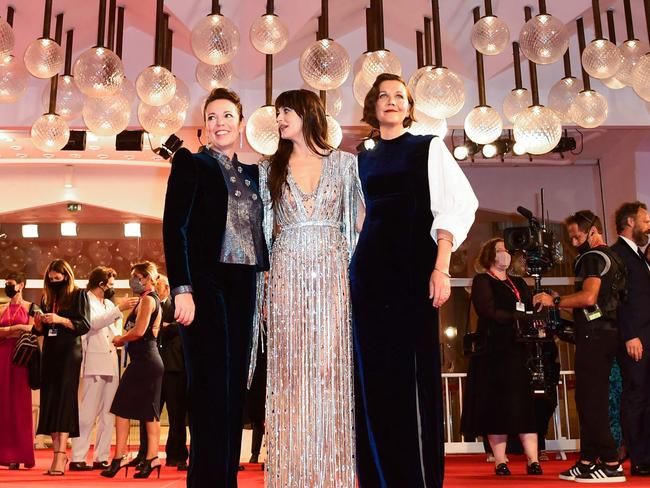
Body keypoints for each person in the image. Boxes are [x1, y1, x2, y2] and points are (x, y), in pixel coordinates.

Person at [350, 73, 478, 488]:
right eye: (382, 96)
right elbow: (358, 220)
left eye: (398, 96)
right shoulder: (360, 158)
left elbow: (456, 207)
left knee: (411, 377)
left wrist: (441, 268)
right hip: (368, 275)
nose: (390, 101)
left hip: (412, 273)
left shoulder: (428, 148)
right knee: (373, 379)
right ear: (372, 105)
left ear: (409, 107)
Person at [162, 87, 269, 487]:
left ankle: (227, 479)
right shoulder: (191, 164)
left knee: (232, 393)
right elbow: (176, 228)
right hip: (205, 288)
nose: (219, 123)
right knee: (208, 391)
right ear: (203, 126)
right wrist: (182, 288)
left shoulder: (255, 174)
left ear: (241, 124)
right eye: (211, 117)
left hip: (244, 288)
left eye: (227, 115)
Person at [258, 89, 362, 487]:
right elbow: (264, 234)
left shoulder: (346, 165)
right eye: (277, 112)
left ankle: (331, 475)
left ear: (307, 113)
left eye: (285, 111)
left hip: (333, 277)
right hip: (286, 278)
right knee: (291, 378)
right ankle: (291, 474)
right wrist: (265, 291)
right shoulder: (271, 168)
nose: (279, 118)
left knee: (329, 371)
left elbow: (357, 228)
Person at [534, 210, 627, 482]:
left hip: (596, 337)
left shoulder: (593, 258)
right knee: (587, 400)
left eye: (577, 236)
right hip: (605, 334)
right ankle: (587, 461)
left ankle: (611, 463)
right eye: (571, 237)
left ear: (593, 231)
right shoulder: (614, 257)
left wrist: (556, 301)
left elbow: (589, 298)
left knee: (590, 401)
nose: (574, 242)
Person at [460, 238, 542, 476]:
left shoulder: (517, 282)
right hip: (493, 353)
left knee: (524, 406)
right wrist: (518, 318)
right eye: (500, 250)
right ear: (490, 255)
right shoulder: (482, 280)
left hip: (518, 351)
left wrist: (534, 309)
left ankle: (533, 460)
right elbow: (487, 310)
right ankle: (500, 460)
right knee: (496, 407)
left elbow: (527, 307)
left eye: (507, 250)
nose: (505, 254)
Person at [101, 261, 163, 479]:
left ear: (147, 278)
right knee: (146, 412)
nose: (133, 280)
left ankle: (124, 458)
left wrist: (120, 339)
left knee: (125, 408)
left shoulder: (147, 300)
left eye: (137, 276)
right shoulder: (144, 300)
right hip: (144, 359)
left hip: (146, 359)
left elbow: (139, 331)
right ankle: (148, 458)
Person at [70, 266, 135, 471]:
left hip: (111, 361)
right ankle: (78, 457)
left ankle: (102, 456)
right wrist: (119, 309)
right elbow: (92, 324)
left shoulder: (107, 302)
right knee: (88, 412)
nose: (112, 288)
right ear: (101, 284)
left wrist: (121, 337)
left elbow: (113, 329)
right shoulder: (85, 300)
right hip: (94, 361)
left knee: (109, 413)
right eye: (111, 284)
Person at [33, 259, 91, 476]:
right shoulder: (47, 297)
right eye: (51, 277)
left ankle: (60, 455)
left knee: (65, 401)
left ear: (66, 276)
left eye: (58, 277)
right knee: (50, 401)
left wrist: (61, 319)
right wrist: (39, 325)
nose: (54, 280)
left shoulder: (79, 294)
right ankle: (57, 452)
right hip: (50, 352)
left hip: (69, 353)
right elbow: (39, 331)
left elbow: (84, 324)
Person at [611, 201, 650, 476]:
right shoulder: (618, 255)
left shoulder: (639, 255)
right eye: (645, 220)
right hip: (635, 338)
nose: (649, 226)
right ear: (630, 222)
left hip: (646, 335)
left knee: (646, 397)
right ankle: (639, 458)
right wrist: (630, 335)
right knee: (636, 396)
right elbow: (619, 300)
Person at [0, 272, 35, 470]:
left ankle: (22, 454)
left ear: (21, 285)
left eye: (10, 283)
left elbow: (33, 329)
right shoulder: (2, 308)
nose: (8, 286)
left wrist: (15, 328)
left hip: (21, 357)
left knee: (20, 404)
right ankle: (6, 454)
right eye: (6, 283)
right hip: (2, 356)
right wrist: (12, 330)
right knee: (3, 404)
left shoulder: (30, 307)